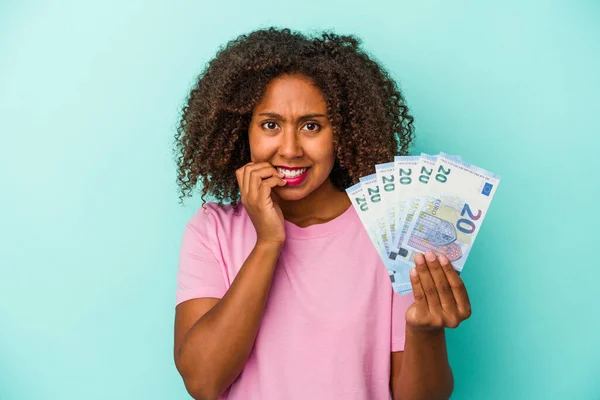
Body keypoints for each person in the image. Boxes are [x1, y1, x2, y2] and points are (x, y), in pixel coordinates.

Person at [173, 28, 472, 400]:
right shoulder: (212, 230)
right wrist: (268, 242)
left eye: (311, 126)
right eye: (270, 125)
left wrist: (426, 331)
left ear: (343, 133)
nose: (290, 148)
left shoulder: (392, 230)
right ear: (241, 131)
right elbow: (203, 382)